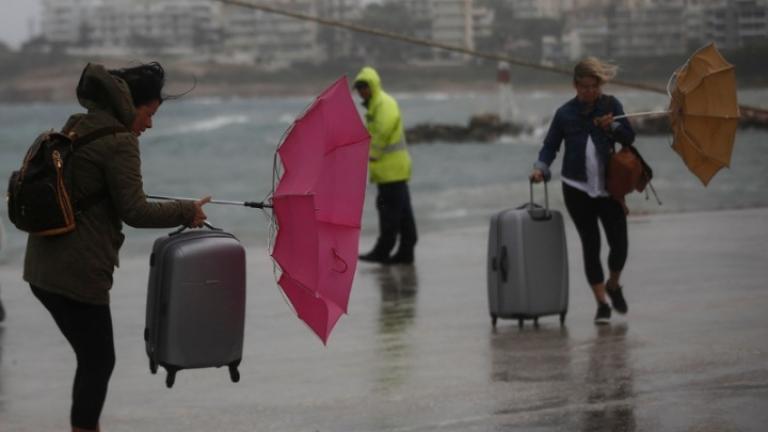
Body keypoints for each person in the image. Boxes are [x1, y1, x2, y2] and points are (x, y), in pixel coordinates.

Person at [23, 62, 210, 432]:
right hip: (77, 273)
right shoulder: (120, 141)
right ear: (131, 104)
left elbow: (92, 188)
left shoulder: (79, 123)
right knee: (99, 361)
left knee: (92, 358)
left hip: (41, 266)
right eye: (149, 113)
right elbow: (135, 211)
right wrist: (187, 211)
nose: (150, 124)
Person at [530, 57, 635, 325]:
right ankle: (601, 304)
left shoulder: (611, 106)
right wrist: (541, 168)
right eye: (584, 87)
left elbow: (629, 137)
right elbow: (550, 145)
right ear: (575, 86)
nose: (589, 92)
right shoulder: (565, 113)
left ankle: (613, 284)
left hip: (609, 188)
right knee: (591, 245)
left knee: (619, 245)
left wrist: (611, 125)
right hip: (576, 188)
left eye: (594, 87)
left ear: (600, 84)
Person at [354, 66, 418, 265]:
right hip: (392, 171)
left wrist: (372, 154)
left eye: (365, 86)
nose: (362, 91)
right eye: (359, 88)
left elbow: (383, 130)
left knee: (388, 212)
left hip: (391, 171)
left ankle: (383, 250)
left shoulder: (383, 104)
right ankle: (406, 252)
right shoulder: (375, 106)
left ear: (373, 86)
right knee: (403, 214)